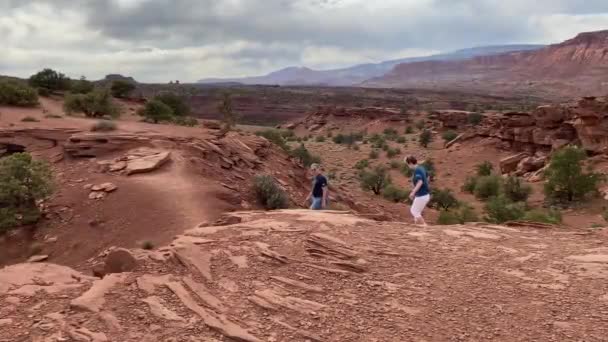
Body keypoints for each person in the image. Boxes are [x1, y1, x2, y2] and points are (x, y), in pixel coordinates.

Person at [405, 156, 430, 226]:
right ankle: (417, 226)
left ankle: (424, 226)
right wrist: (426, 185)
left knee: (414, 211)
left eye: (407, 164)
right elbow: (428, 176)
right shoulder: (421, 168)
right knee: (417, 212)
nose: (408, 166)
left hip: (422, 195)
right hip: (424, 194)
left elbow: (420, 182)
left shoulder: (417, 170)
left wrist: (413, 192)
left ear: (410, 163)